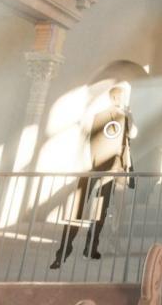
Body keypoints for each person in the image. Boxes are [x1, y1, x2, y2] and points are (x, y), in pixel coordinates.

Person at [51, 83, 137, 268]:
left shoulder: (107, 117)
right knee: (92, 210)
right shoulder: (109, 117)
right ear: (116, 98)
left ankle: (78, 250)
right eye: (122, 97)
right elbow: (130, 134)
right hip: (102, 169)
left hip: (101, 168)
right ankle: (80, 249)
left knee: (93, 210)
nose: (123, 101)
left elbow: (130, 134)